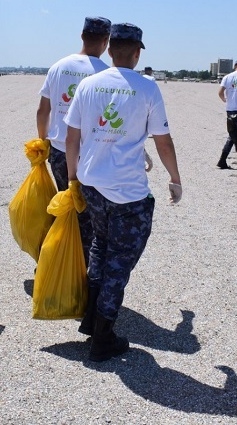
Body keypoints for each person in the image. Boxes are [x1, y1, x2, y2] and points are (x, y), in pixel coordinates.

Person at [65, 22, 182, 362]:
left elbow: (72, 138)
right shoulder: (146, 88)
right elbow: (163, 140)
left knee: (101, 246)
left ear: (110, 48)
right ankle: (103, 337)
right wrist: (175, 178)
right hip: (128, 195)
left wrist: (74, 179)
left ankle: (90, 318)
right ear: (137, 52)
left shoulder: (88, 85)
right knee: (119, 262)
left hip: (92, 185)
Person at [37, 16, 111, 263]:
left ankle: (57, 260)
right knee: (90, 217)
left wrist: (42, 142)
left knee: (64, 207)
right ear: (106, 41)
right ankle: (79, 269)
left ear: (81, 35)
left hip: (58, 151)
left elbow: (42, 111)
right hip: (90, 155)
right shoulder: (106, 74)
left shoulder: (58, 66)